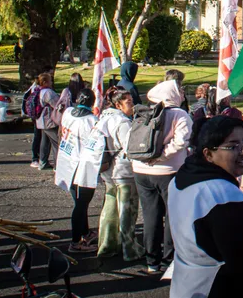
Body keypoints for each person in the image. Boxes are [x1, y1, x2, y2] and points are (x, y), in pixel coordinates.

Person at [168, 116, 243, 296]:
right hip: (216, 287)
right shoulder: (226, 200)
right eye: (232, 146)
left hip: (185, 284)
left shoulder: (182, 177)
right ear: (208, 154)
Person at [132, 80, 193, 274]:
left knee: (151, 215)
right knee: (173, 215)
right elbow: (182, 141)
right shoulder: (179, 114)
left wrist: (149, 157)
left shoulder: (144, 112)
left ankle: (152, 260)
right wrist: (161, 155)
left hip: (140, 169)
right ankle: (169, 259)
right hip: (169, 171)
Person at [94, 86, 144, 261]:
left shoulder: (103, 116)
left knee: (110, 211)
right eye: (128, 102)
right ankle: (129, 249)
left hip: (107, 171)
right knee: (127, 212)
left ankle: (107, 244)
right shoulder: (122, 122)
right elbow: (130, 147)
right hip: (123, 171)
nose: (133, 105)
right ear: (118, 104)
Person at [53, 88, 99, 253]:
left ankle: (85, 233)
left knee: (79, 203)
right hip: (82, 166)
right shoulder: (91, 121)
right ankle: (75, 242)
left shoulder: (68, 112)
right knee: (81, 205)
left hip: (67, 161)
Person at [35, 72, 60, 171]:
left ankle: (42, 162)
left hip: (40, 121)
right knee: (56, 143)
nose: (51, 82)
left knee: (44, 142)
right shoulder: (48, 93)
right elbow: (57, 105)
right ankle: (57, 166)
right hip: (49, 121)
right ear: (45, 82)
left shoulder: (37, 90)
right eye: (50, 80)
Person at [24, 80, 44, 168]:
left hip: (35, 116)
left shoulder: (34, 89)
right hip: (39, 116)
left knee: (38, 136)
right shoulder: (41, 91)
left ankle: (37, 158)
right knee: (39, 137)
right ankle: (36, 158)